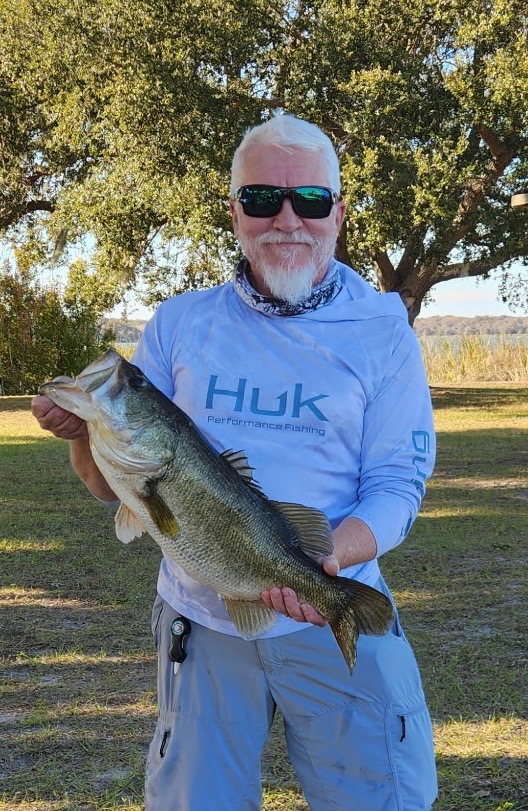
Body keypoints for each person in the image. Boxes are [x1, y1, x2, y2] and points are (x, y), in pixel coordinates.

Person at [32, 113, 438, 811]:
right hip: (203, 623)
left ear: (338, 213)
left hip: (332, 594)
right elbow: (115, 489)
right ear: (234, 212)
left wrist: (326, 564)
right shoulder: (181, 322)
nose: (287, 220)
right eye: (261, 199)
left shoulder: (382, 328)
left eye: (309, 200)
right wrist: (81, 431)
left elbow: (398, 485)